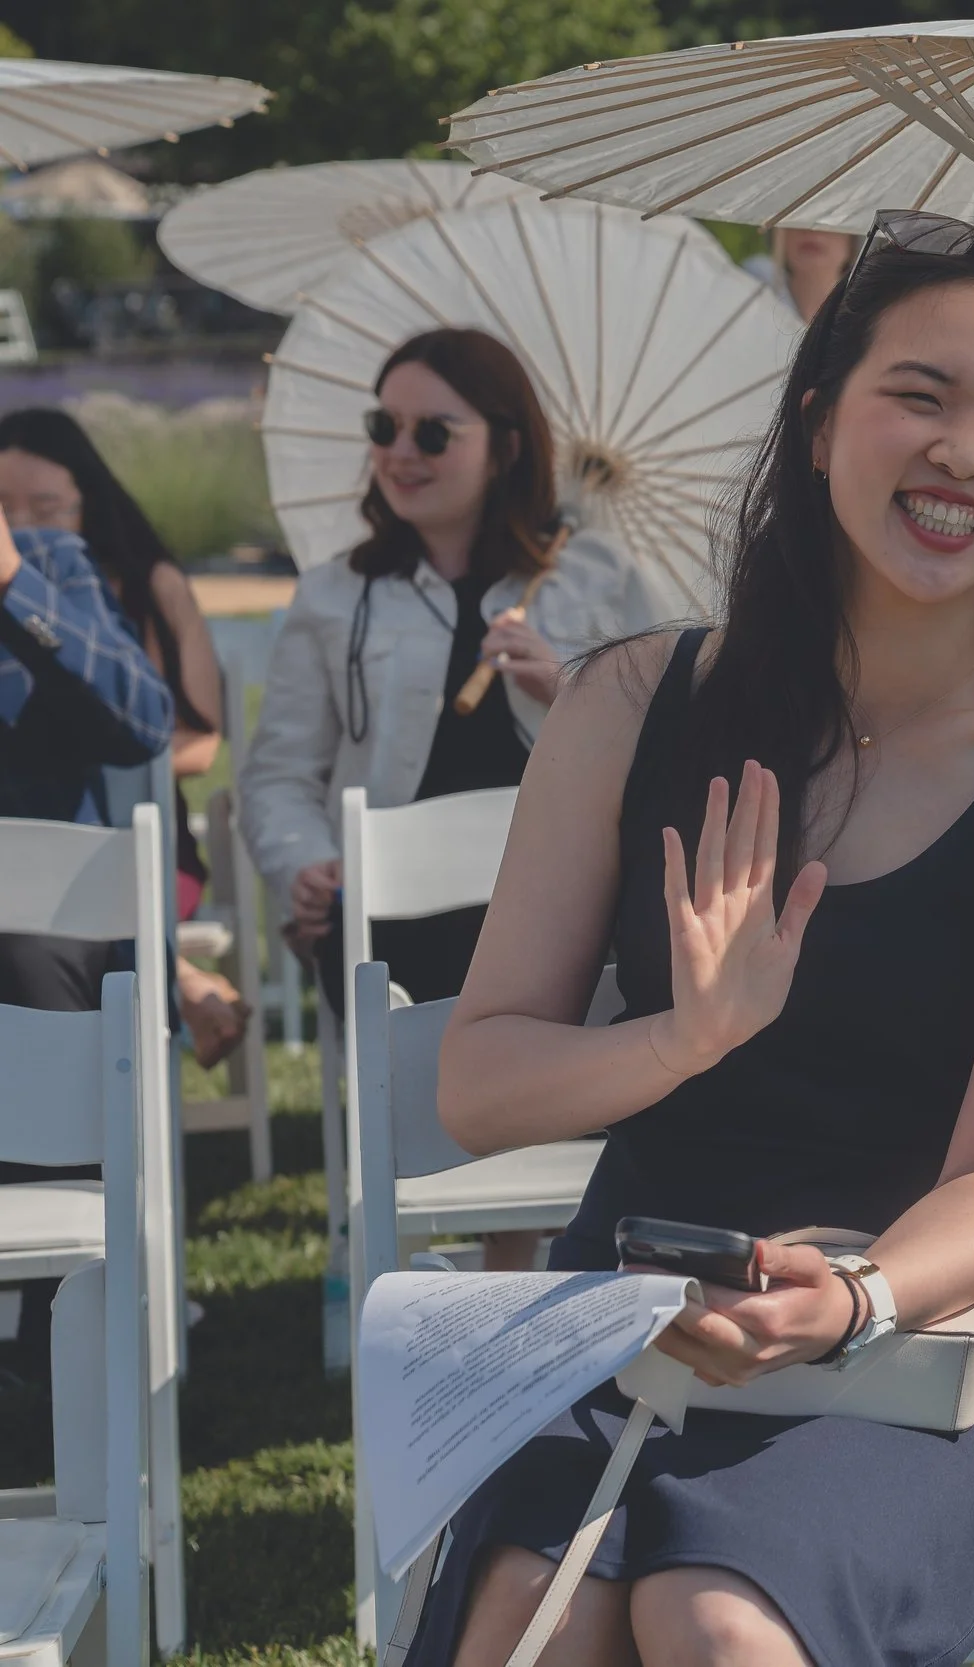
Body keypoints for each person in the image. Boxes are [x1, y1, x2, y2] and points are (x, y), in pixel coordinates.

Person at [412, 213, 974, 1667]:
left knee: (717, 1619)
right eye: (921, 396)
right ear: (820, 422)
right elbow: (477, 1084)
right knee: (531, 1629)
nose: (965, 452)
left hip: (918, 1330)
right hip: (627, 1306)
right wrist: (687, 1036)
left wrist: (855, 1294)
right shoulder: (631, 702)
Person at [238, 327, 655, 1271]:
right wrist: (303, 862)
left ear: (504, 444)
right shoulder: (337, 595)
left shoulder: (596, 577)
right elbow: (277, 775)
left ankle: (523, 1257)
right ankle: (506, 1258)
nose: (399, 451)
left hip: (568, 911)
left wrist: (568, 690)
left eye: (434, 432)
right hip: (391, 921)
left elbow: (678, 748)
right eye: (385, 425)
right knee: (415, 943)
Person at [0, 407, 249, 1064]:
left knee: (45, 943)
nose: (23, 520)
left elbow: (159, 730)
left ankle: (173, 978)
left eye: (43, 504)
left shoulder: (68, 575)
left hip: (85, 856)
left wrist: (13, 584)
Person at [743, 226, 860, 322]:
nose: (812, 230)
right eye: (799, 220)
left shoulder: (866, 319)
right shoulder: (750, 289)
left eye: (830, 221)